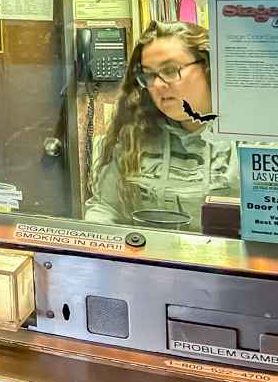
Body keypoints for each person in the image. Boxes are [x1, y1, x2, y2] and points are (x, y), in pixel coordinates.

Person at [85, 21, 237, 232]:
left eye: (170, 70)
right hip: (148, 259)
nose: (157, 85)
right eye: (148, 75)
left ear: (208, 67)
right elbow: (106, 209)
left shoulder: (250, 137)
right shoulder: (136, 133)